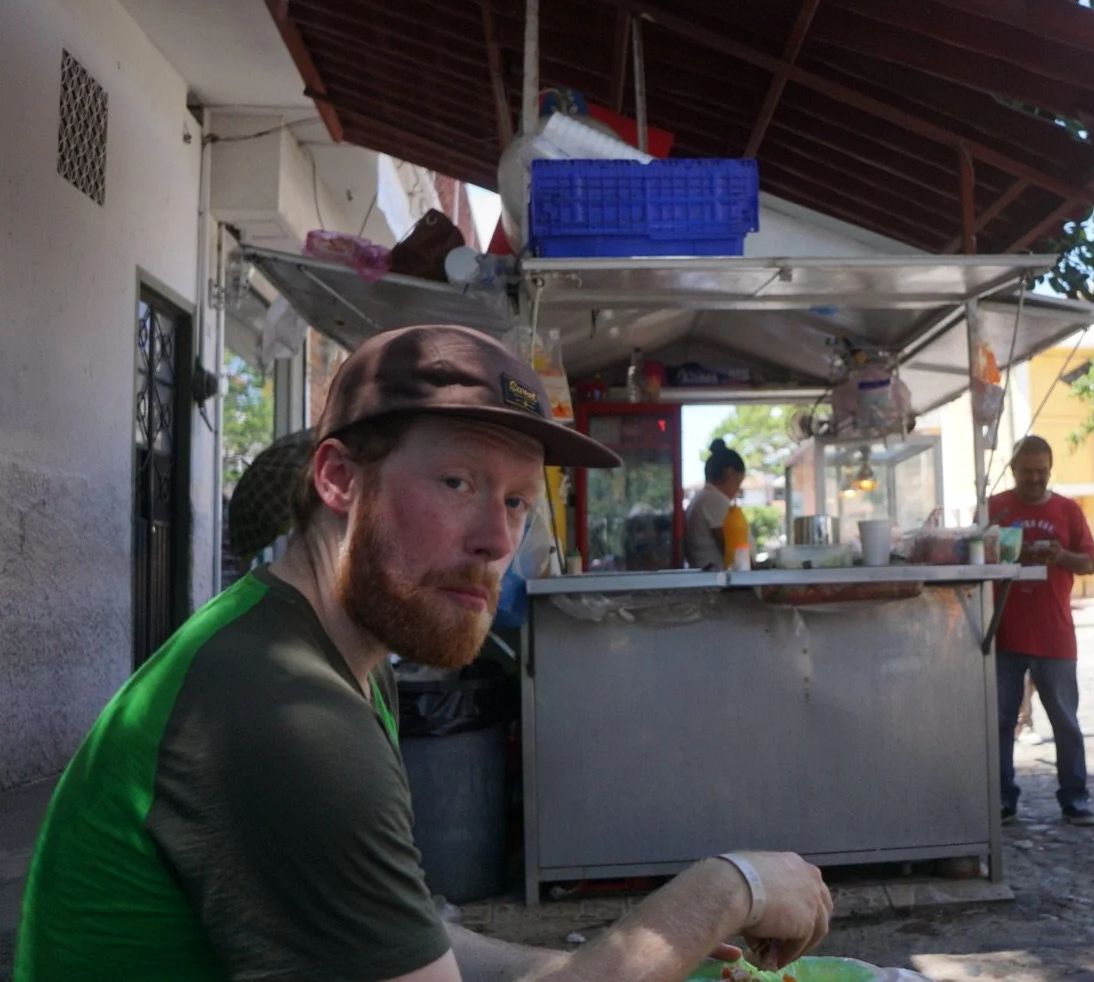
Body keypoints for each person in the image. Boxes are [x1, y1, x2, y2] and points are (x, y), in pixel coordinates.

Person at [16, 325, 832, 982]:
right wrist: (730, 889)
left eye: (517, 501)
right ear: (339, 481)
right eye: (458, 483)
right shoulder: (284, 718)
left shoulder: (323, 656)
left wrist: (577, 965)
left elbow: (396, 945)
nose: (496, 540)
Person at [990, 435, 1094, 827]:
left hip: (1054, 633)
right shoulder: (994, 508)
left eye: (1042, 472)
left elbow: (1089, 563)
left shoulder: (1067, 510)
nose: (1035, 479)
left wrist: (1060, 556)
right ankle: (1002, 798)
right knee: (1000, 721)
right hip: (1002, 632)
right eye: (1027, 472)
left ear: (1050, 470)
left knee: (1065, 721)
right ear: (1013, 469)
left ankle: (1075, 797)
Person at [686, 439, 745, 569]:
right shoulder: (714, 500)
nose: (737, 490)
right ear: (730, 474)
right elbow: (732, 548)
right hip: (717, 581)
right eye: (738, 482)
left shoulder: (704, 498)